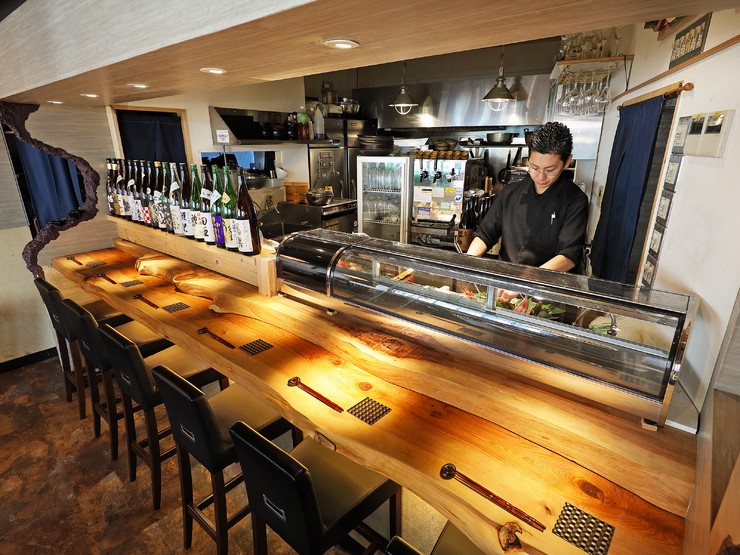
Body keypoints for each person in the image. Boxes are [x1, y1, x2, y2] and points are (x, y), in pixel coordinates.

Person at [466, 122, 589, 307]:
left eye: (550, 170)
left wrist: (524, 283)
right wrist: (466, 264)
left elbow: (569, 256)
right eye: (534, 167)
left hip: (546, 294)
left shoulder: (575, 200)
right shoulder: (511, 192)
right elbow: (486, 234)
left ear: (567, 162)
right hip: (504, 288)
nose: (540, 177)